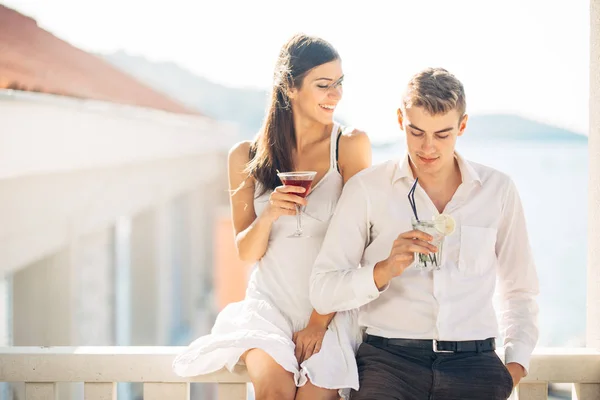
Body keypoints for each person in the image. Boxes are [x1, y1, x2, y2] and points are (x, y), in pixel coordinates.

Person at [310, 67, 539, 400]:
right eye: (416, 132)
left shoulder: (497, 190)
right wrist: (382, 271)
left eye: (442, 134)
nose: (428, 147)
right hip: (388, 363)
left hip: (475, 364)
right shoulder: (367, 189)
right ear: (401, 120)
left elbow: (521, 289)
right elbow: (322, 289)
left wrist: (514, 366)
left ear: (462, 126)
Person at [173, 33, 371, 400]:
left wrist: (318, 321)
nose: (336, 95)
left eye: (339, 83)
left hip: (329, 310)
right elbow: (246, 252)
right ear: (290, 88)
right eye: (323, 85)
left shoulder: (349, 146)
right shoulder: (244, 157)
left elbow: (358, 243)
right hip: (270, 307)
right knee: (273, 394)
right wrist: (269, 216)